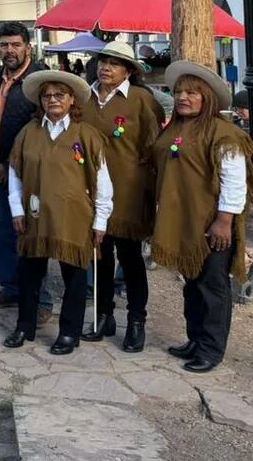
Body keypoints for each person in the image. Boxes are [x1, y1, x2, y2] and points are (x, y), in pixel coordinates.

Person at [152, 61, 253, 374]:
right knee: (192, 283)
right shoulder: (178, 128)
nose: (183, 97)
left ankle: (211, 349)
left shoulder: (224, 133)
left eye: (192, 93)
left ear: (207, 97)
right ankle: (195, 339)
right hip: (184, 220)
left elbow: (235, 180)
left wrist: (224, 220)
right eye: (179, 91)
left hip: (211, 223)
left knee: (212, 286)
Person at [4, 71, 113, 355]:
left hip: (75, 218)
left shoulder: (87, 135)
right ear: (40, 101)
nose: (52, 100)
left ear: (71, 99)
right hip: (35, 216)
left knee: (74, 278)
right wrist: (17, 209)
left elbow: (102, 180)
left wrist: (101, 219)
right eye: (46, 95)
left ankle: (69, 332)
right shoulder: (28, 133)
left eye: (59, 95)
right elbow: (15, 174)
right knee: (29, 274)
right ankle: (24, 326)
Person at [80, 41, 160, 352]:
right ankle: (103, 316)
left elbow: (155, 146)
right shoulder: (83, 97)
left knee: (130, 258)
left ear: (128, 70)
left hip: (128, 191)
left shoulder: (141, 100)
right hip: (91, 191)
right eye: (103, 60)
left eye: (115, 62)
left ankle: (136, 322)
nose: (106, 67)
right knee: (99, 256)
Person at [0, 22, 50, 311]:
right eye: (4, 44)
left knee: (31, 233)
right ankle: (11, 288)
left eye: (15, 44)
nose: (9, 50)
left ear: (27, 46)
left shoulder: (40, 80)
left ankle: (40, 299)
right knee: (3, 232)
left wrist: (9, 165)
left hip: (27, 174)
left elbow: (41, 129)